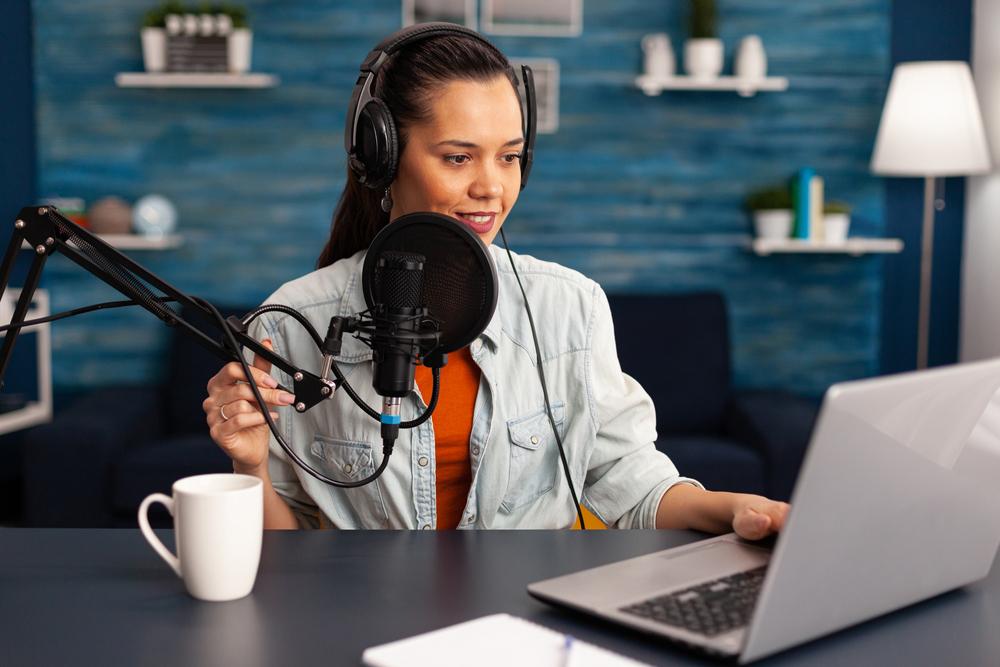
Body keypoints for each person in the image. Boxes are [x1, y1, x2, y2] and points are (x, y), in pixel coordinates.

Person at [202, 25, 789, 536]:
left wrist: (736, 509)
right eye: (459, 158)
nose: (492, 188)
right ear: (381, 157)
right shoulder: (291, 322)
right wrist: (249, 466)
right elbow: (289, 551)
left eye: (509, 157)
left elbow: (631, 485)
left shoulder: (569, 306)